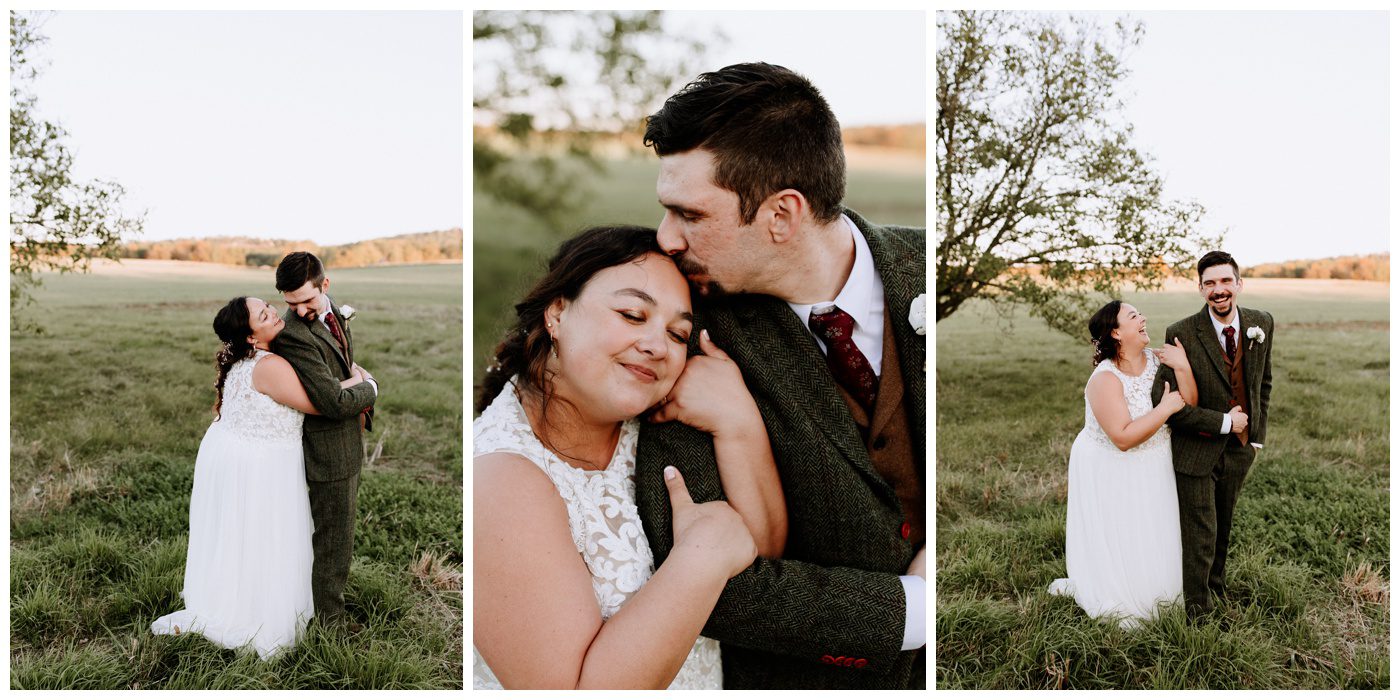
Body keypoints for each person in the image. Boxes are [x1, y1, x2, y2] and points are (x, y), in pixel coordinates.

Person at [635, 62, 927, 689]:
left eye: (690, 214)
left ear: (781, 215)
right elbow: (703, 582)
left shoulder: (932, 269)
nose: (665, 239)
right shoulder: (682, 335)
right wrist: (912, 611)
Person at [472, 225, 786, 689]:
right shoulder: (500, 481)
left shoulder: (660, 425)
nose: (658, 347)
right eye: (632, 314)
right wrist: (700, 560)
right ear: (557, 313)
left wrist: (739, 422)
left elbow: (759, 554)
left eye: (678, 334)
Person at [151, 297, 372, 658]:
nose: (273, 313)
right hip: (261, 461)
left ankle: (237, 596)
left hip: (234, 451)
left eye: (268, 306)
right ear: (252, 338)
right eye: (263, 315)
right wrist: (364, 382)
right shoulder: (271, 365)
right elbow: (325, 403)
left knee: (245, 535)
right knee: (268, 535)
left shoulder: (248, 359)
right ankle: (259, 613)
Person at [1047, 301, 1195, 627]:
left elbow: (1190, 404)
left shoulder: (1159, 360)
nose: (1143, 318)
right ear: (1116, 332)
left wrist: (1183, 368)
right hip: (1111, 465)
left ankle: (1162, 591)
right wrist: (1165, 409)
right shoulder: (1105, 380)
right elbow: (1123, 438)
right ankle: (1122, 590)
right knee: (1124, 532)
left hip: (1156, 459)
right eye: (1133, 316)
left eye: (1141, 313)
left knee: (1157, 528)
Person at [1150, 251, 1274, 620]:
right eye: (1210, 283)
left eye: (1225, 281)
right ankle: (1198, 613)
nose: (1218, 290)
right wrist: (1223, 422)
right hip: (1195, 450)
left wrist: (1255, 438)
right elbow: (1166, 400)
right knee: (1200, 533)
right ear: (1200, 288)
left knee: (1223, 526)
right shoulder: (1182, 332)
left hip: (1239, 449)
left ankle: (1216, 592)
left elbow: (1262, 383)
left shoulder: (1261, 323)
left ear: (1239, 283)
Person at [272, 252, 380, 630]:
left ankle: (323, 607)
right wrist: (371, 387)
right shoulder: (294, 336)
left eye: (307, 300)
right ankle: (330, 624)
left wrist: (354, 377)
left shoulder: (334, 311)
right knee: (334, 539)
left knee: (340, 531)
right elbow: (333, 401)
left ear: (326, 286)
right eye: (290, 303)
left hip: (346, 441)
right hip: (326, 450)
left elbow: (342, 366)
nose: (300, 310)